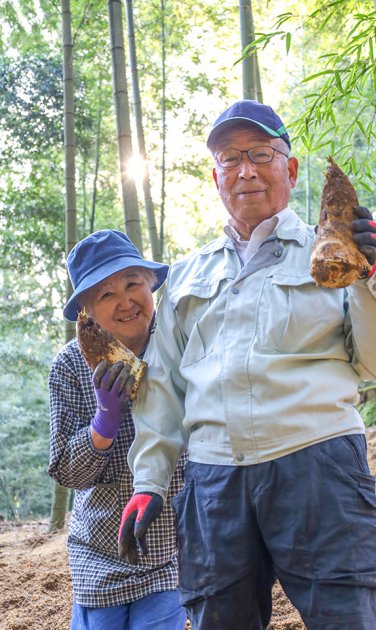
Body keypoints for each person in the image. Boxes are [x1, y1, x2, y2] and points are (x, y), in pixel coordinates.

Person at [118, 100, 376, 630]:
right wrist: (148, 480)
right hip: (213, 480)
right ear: (214, 177)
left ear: (291, 168)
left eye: (261, 153)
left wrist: (367, 275)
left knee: (349, 617)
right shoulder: (189, 275)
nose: (245, 169)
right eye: (230, 157)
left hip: (318, 466)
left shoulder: (332, 250)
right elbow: (162, 386)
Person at [48, 229, 187, 630]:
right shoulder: (70, 366)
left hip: (170, 545)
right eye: (107, 294)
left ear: (151, 285)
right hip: (100, 547)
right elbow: (67, 472)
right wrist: (103, 421)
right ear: (86, 310)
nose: (126, 301)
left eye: (132, 284)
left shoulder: (180, 342)